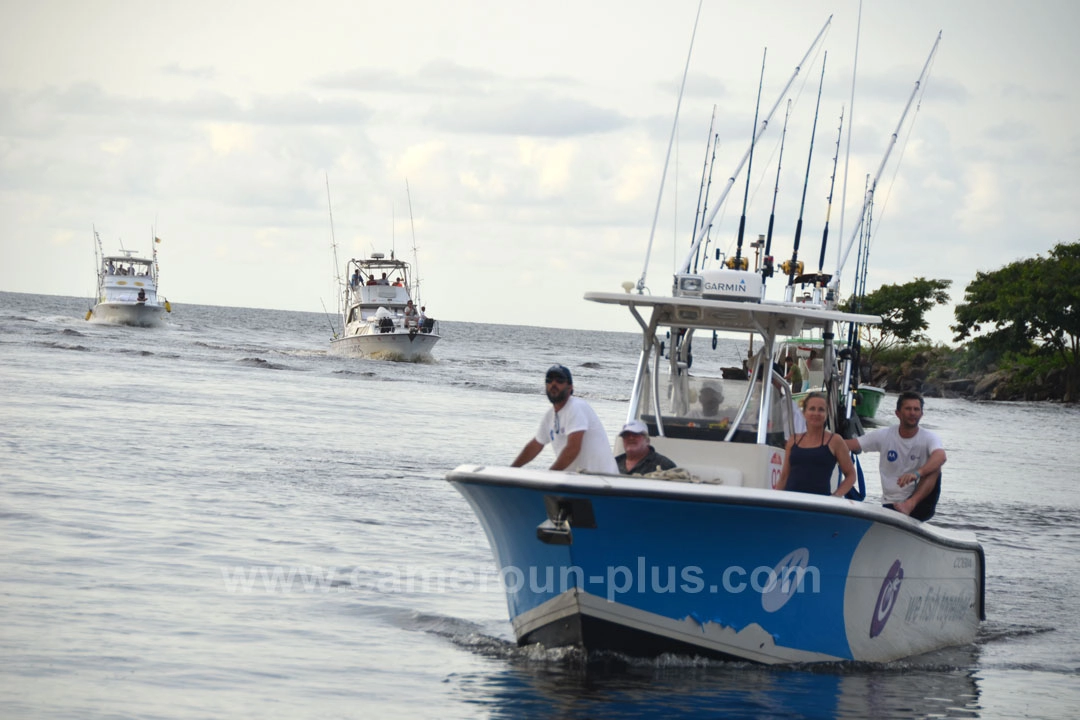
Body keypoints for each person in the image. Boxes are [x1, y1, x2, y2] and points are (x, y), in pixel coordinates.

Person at [845, 391, 946, 520]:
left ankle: (909, 504)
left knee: (936, 467)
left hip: (919, 503)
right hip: (892, 502)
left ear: (921, 414)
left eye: (916, 409)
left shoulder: (929, 437)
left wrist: (917, 474)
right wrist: (823, 438)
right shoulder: (884, 435)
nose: (912, 413)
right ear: (897, 413)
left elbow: (941, 456)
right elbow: (850, 445)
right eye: (908, 409)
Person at [511, 365, 618, 474]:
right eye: (549, 380)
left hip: (603, 481)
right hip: (577, 480)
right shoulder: (550, 416)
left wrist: (550, 475)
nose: (553, 384)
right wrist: (511, 470)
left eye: (559, 380)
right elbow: (535, 445)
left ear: (570, 387)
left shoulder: (576, 407)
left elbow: (573, 448)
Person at [776, 392, 856, 496]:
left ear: (827, 414)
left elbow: (851, 475)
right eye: (812, 409)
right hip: (791, 501)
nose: (816, 413)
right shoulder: (793, 440)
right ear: (804, 413)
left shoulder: (835, 441)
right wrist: (776, 497)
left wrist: (836, 496)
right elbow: (784, 476)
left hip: (819, 504)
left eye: (821, 410)